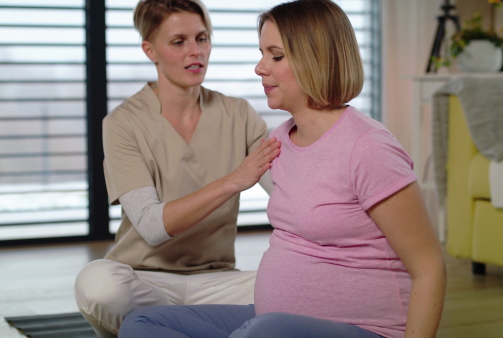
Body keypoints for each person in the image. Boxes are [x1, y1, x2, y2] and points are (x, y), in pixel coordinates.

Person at [118, 0, 447, 337]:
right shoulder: (280, 140)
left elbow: (429, 267)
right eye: (262, 53)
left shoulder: (368, 147)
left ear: (315, 58)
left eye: (275, 56)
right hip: (269, 321)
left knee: (262, 330)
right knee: (141, 323)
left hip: (362, 329)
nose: (260, 68)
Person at [73, 0, 281, 336]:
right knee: (97, 283)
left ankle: (169, 329)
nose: (195, 52)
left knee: (295, 284)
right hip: (145, 280)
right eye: (178, 42)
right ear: (150, 50)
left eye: (202, 38)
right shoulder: (122, 123)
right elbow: (153, 226)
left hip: (219, 281)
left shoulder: (239, 114)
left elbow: (286, 192)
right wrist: (232, 181)